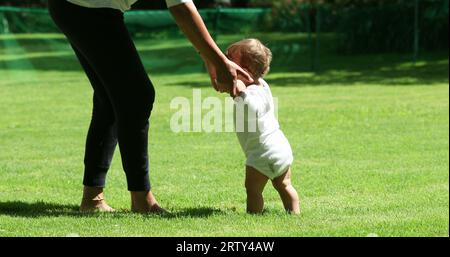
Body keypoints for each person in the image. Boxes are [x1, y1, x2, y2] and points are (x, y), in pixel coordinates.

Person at [48, 0, 252, 213]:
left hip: (76, 7)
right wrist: (219, 61)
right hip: (87, 9)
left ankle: (93, 198)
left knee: (111, 99)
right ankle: (141, 200)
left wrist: (210, 57)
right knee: (137, 96)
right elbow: (182, 9)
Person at [227, 39, 300, 214]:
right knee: (284, 185)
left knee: (253, 189)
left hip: (262, 153)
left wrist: (241, 92)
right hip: (281, 148)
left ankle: (254, 215)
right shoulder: (262, 85)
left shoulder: (250, 92)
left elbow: (253, 109)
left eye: (232, 61)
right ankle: (295, 213)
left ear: (246, 71)